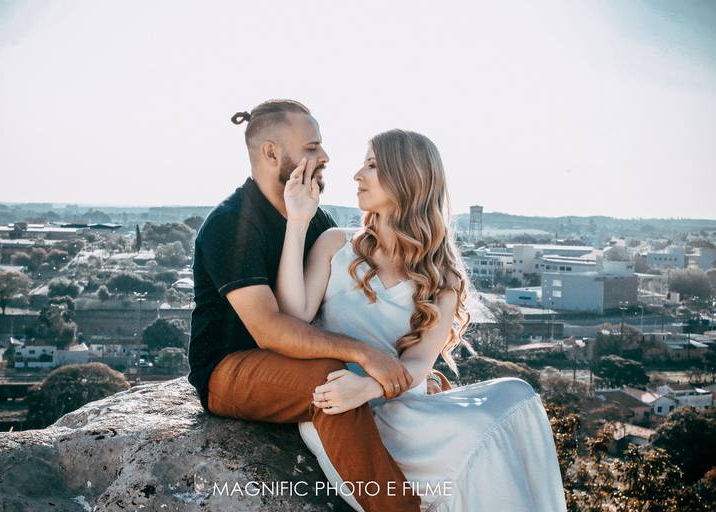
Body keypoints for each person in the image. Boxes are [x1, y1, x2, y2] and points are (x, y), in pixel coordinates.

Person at [276, 129, 569, 511]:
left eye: (372, 165)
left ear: (407, 177)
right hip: (346, 413)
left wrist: (369, 388)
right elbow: (293, 316)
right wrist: (297, 221)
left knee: (517, 394)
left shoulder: (443, 277)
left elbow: (418, 363)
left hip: (400, 406)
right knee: (477, 438)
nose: (357, 175)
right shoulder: (336, 244)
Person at [188, 99, 427, 511]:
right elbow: (269, 329)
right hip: (230, 369)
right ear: (271, 153)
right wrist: (365, 354)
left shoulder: (314, 219)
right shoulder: (231, 223)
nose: (326, 157)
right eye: (312, 147)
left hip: (294, 358)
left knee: (381, 383)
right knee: (330, 384)